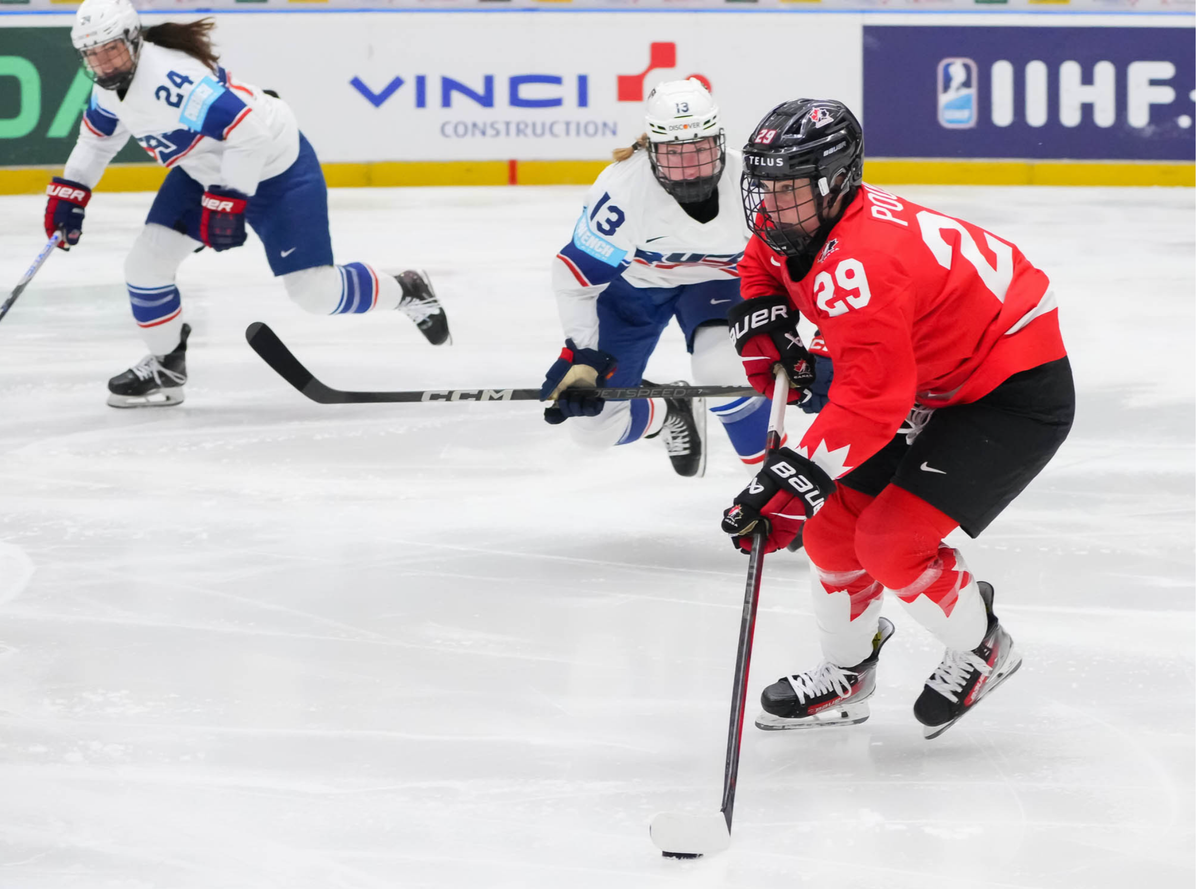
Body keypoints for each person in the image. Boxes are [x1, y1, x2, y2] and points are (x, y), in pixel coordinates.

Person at [721, 98, 1074, 738]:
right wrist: (766, 317)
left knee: (890, 543)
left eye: (789, 187)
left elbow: (874, 400)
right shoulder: (799, 223)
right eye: (765, 184)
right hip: (931, 379)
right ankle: (848, 675)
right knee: (830, 531)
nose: (771, 203)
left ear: (836, 184)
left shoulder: (864, 263)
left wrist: (792, 476)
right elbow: (761, 265)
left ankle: (984, 647)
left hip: (1011, 387)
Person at [45, 0, 451, 409]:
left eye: (111, 49)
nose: (104, 63)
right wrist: (71, 192)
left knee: (315, 294)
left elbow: (250, 132)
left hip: (277, 170)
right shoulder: (110, 86)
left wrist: (228, 199)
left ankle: (408, 290)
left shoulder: (172, 80)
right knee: (145, 265)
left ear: (134, 40)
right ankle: (167, 366)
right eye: (93, 55)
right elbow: (97, 140)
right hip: (205, 171)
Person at [540, 78, 797, 477]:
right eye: (676, 153)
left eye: (700, 149)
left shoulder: (754, 185)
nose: (691, 165)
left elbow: (800, 263)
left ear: (718, 140)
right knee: (594, 432)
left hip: (720, 285)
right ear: (653, 149)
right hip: (634, 290)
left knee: (721, 371)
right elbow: (574, 278)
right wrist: (582, 354)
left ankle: (772, 488)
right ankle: (669, 408)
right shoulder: (623, 193)